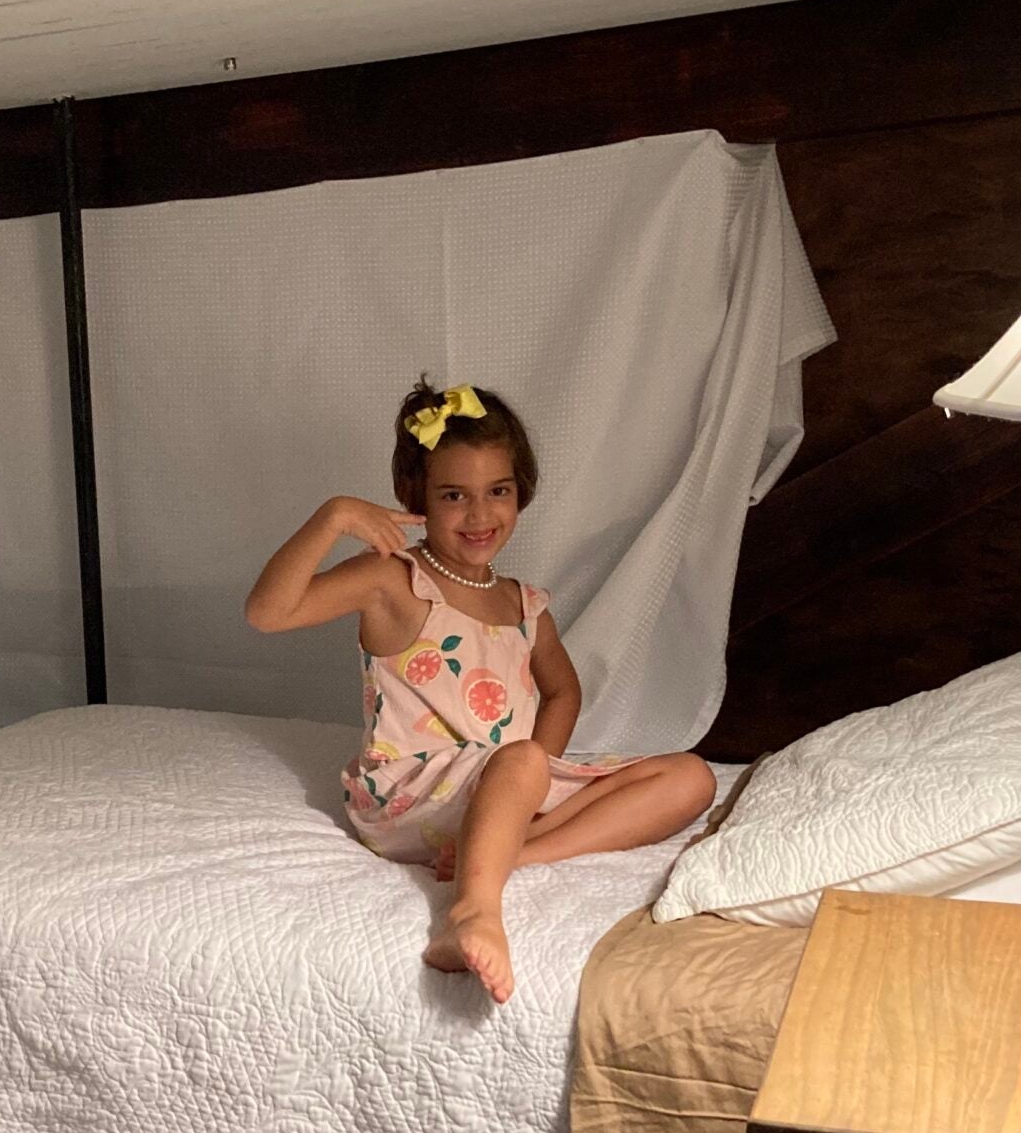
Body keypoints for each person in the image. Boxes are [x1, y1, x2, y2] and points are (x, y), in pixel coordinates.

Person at [245, 378, 715, 1003]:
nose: (479, 514)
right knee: (518, 760)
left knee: (691, 777)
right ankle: (471, 911)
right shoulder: (394, 580)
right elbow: (267, 613)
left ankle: (513, 852)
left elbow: (563, 693)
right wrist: (333, 516)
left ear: (521, 492)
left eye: (498, 491)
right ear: (417, 499)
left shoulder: (524, 604)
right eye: (453, 496)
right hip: (414, 796)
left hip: (500, 794)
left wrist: (537, 776)